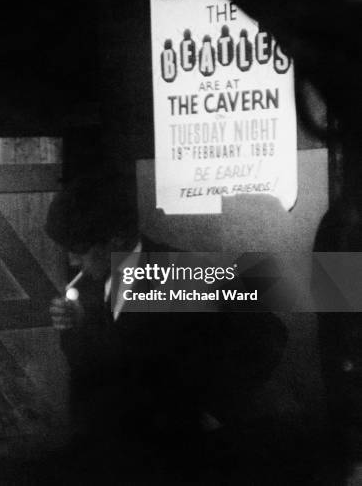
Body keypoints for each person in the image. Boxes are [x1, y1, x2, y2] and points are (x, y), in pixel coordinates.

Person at [46, 171, 288, 482]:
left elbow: (268, 334)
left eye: (79, 250)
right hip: (119, 453)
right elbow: (96, 364)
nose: (73, 261)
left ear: (116, 238)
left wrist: (216, 410)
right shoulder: (90, 286)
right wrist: (74, 327)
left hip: (180, 456)